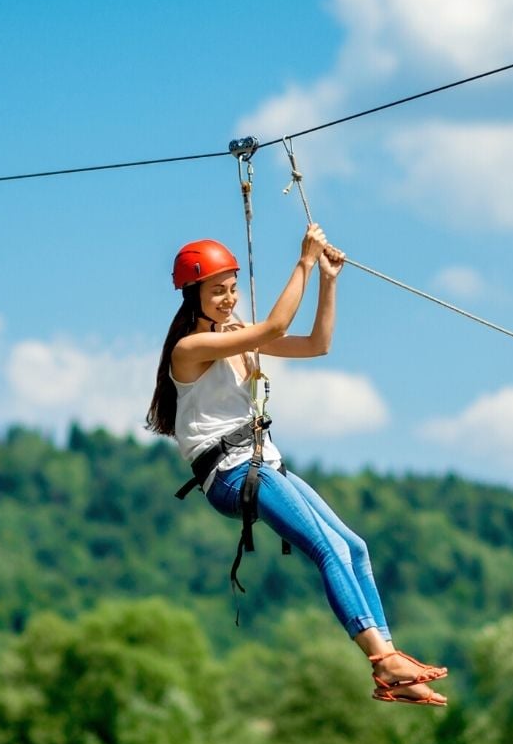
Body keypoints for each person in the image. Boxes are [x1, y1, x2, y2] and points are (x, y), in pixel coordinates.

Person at [145, 224, 447, 707]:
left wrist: (327, 280)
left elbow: (315, 344)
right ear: (191, 295)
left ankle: (391, 662)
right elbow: (276, 329)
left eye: (231, 288)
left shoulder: (237, 335)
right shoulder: (190, 349)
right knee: (326, 548)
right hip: (231, 473)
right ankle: (380, 660)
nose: (228, 299)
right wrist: (303, 262)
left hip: (261, 462)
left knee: (354, 547)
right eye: (216, 291)